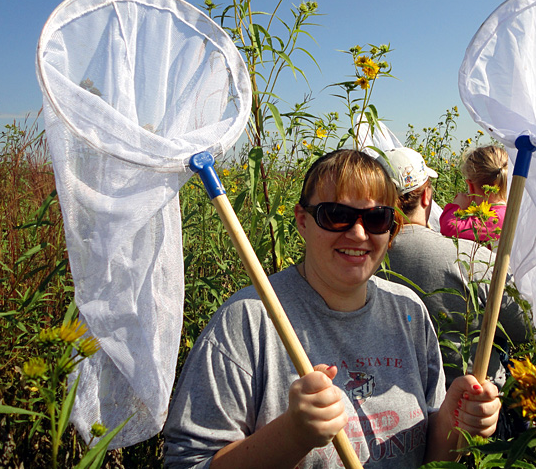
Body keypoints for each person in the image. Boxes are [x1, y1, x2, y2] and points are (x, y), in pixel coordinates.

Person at [163, 150, 501, 469]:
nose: (357, 233)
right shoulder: (248, 320)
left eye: (377, 219)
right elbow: (189, 462)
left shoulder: (408, 311)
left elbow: (431, 456)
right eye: (336, 215)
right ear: (302, 221)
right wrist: (292, 435)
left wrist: (456, 422)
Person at [379, 147, 530, 439]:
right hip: (475, 409)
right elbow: (522, 327)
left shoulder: (358, 260)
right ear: (426, 196)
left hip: (395, 414)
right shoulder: (465, 256)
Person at [439, 145, 509, 247]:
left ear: (470, 186)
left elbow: (449, 226)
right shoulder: (509, 212)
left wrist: (457, 206)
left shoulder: (496, 217)